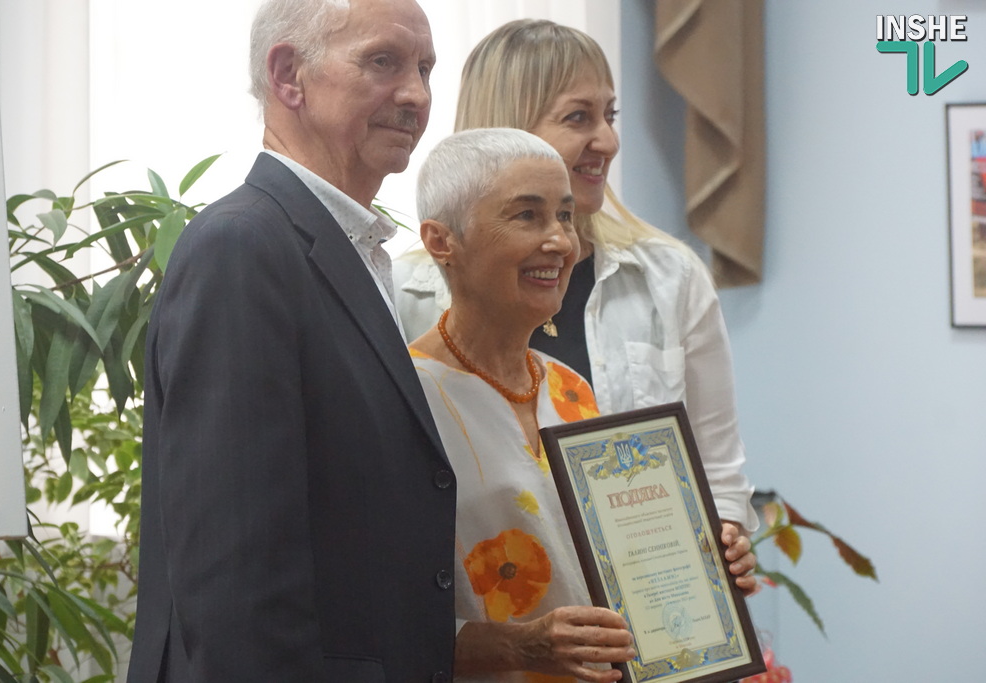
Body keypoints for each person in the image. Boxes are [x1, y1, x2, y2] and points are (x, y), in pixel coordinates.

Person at [127, 1, 457, 681]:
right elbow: (236, 580)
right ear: (288, 76)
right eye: (384, 62)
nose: (417, 95)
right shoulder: (242, 246)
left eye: (425, 69)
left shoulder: (355, 251)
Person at [394, 18, 759, 590]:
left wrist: (725, 539)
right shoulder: (403, 294)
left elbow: (716, 471)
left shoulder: (671, 278)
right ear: (509, 129)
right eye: (578, 118)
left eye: (610, 116)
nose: (607, 141)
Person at [409, 127, 636, 682]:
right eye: (527, 215)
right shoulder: (404, 399)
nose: (561, 242)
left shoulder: (570, 387)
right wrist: (519, 647)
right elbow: (375, 615)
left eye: (565, 216)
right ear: (441, 241)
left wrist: (703, 556)